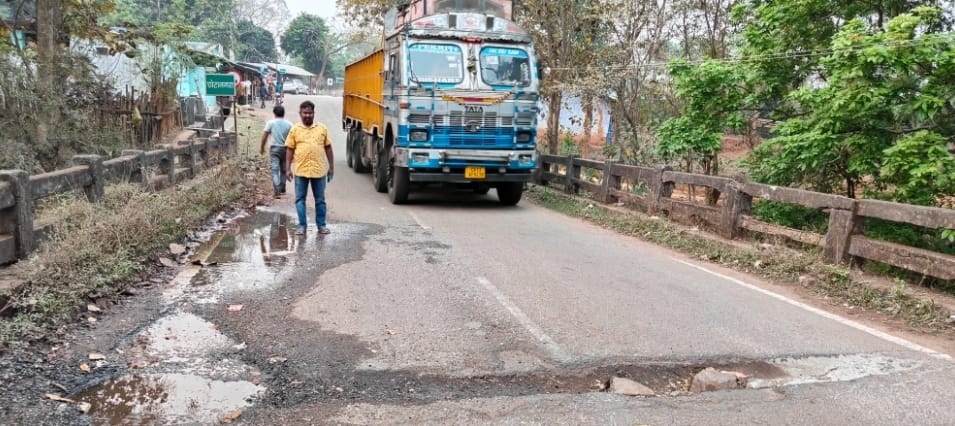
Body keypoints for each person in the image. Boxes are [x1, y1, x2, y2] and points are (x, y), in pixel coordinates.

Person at [285, 101, 334, 235]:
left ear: (314, 113)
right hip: (301, 170)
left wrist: (331, 167)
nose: (307, 115)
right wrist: (288, 168)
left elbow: (328, 148)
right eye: (305, 113)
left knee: (320, 200)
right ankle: (302, 226)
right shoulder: (295, 129)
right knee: (300, 200)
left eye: (310, 113)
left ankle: (321, 226)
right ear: (300, 114)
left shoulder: (322, 129)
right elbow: (290, 149)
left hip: (319, 171)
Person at [260, 105, 293, 197]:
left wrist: (262, 148)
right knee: (283, 169)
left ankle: (277, 190)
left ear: (274, 113)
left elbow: (265, 136)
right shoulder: (289, 124)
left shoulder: (271, 123)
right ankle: (283, 189)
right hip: (286, 149)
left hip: (274, 149)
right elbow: (293, 139)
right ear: (283, 113)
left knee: (275, 170)